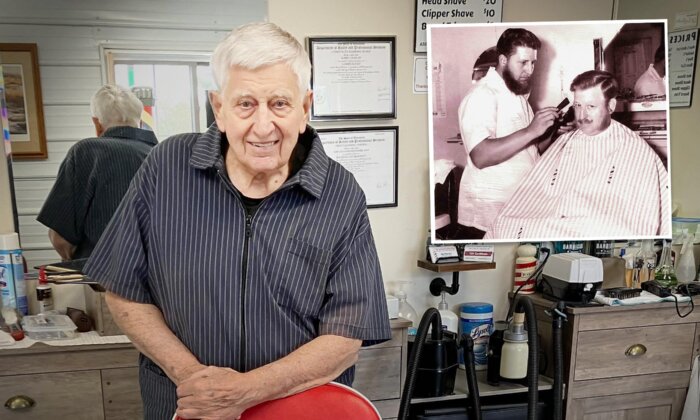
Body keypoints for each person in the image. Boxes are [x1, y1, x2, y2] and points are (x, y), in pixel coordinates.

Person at [83, 22, 391, 419]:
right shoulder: (166, 168)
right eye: (245, 104)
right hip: (185, 406)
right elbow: (124, 291)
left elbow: (346, 334)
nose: (263, 126)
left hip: (296, 411)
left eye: (279, 103)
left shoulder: (340, 192)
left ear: (305, 108)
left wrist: (244, 392)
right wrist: (196, 381)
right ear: (219, 108)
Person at [487, 70, 670, 240]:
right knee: (503, 225)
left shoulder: (634, 149)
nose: (582, 115)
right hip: (552, 219)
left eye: (591, 106)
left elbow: (637, 220)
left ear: (611, 106)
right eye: (577, 106)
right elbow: (534, 193)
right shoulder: (566, 141)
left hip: (594, 224)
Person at [455, 28, 561, 239]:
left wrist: (552, 131)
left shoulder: (518, 97)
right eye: (523, 62)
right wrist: (531, 130)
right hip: (487, 217)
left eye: (533, 63)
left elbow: (528, 150)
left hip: (517, 206)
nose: (529, 70)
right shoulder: (482, 95)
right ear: (503, 60)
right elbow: (481, 156)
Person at [37, 84, 157, 260]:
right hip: (159, 279)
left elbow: (60, 239)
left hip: (99, 281)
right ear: (139, 121)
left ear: (97, 123)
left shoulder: (87, 152)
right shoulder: (162, 155)